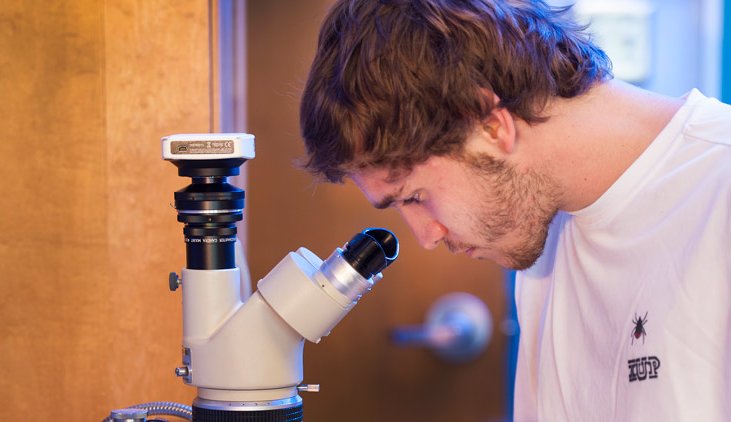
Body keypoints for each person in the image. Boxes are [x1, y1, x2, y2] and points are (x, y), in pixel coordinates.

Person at [299, 0, 731, 420]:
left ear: (489, 125)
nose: (427, 237)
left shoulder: (719, 195)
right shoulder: (545, 223)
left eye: (413, 196)